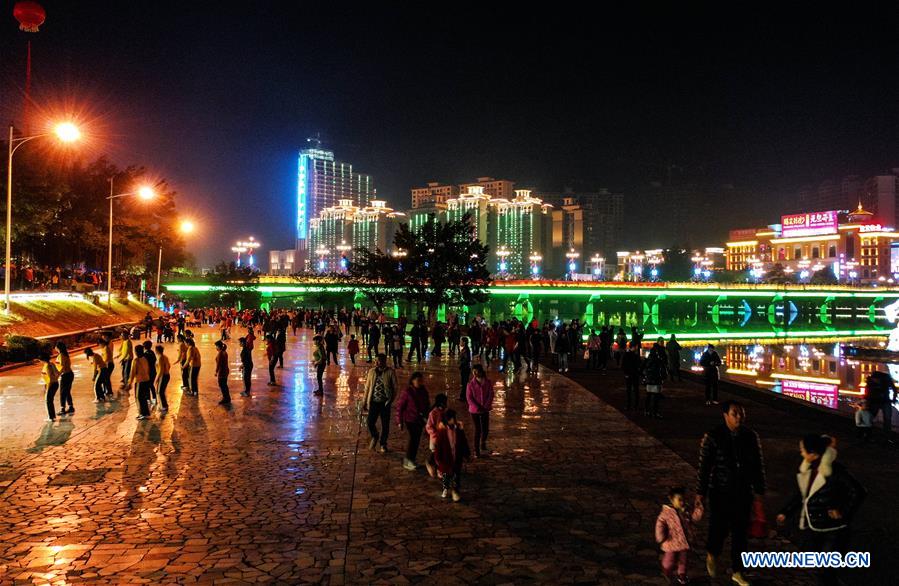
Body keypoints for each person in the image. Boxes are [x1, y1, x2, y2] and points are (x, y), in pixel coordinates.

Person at [776, 434, 866, 586]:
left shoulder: (835, 471)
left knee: (827, 570)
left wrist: (843, 511)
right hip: (816, 528)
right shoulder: (809, 468)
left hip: (835, 531)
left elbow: (859, 491)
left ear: (813, 453)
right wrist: (786, 512)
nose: (801, 453)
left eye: (803, 450)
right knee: (821, 570)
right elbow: (801, 495)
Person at [696, 401, 765, 586]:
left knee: (740, 534)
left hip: (743, 492)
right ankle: (712, 553)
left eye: (741, 413)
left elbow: (758, 467)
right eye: (735, 413)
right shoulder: (713, 437)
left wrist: (759, 492)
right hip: (720, 492)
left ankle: (738, 570)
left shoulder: (751, 437)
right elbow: (704, 468)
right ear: (725, 415)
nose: (739, 417)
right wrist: (700, 493)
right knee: (718, 528)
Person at [655, 486, 704, 585]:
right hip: (671, 542)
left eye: (683, 499)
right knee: (670, 560)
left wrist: (699, 509)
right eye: (679, 500)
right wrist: (661, 536)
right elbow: (660, 524)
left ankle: (682, 575)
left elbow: (694, 518)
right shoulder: (666, 513)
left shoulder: (686, 510)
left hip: (684, 541)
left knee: (683, 561)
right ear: (672, 500)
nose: (682, 502)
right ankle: (666, 570)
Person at [395, 371, 430, 471]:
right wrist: (399, 421)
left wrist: (427, 416)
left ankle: (411, 459)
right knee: (413, 439)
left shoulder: (424, 391)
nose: (420, 382)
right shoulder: (407, 392)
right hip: (410, 419)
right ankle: (408, 460)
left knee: (416, 440)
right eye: (418, 380)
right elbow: (400, 407)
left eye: (421, 380)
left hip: (420, 419)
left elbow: (427, 404)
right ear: (412, 381)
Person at [362, 353, 397, 453]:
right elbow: (367, 387)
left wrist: (390, 399)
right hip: (373, 402)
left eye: (379, 361)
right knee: (370, 422)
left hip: (385, 403)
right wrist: (364, 401)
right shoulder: (371, 372)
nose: (377, 363)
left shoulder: (390, 372)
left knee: (385, 425)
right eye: (376, 361)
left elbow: (395, 387)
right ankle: (375, 435)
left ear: (384, 361)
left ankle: (383, 444)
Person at [434, 409, 471, 502]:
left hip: (457, 456)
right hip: (447, 457)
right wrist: (438, 459)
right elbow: (438, 446)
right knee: (446, 475)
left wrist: (467, 454)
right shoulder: (442, 432)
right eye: (451, 418)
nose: (453, 420)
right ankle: (445, 488)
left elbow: (463, 441)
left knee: (457, 475)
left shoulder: (458, 430)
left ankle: (455, 491)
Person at [466, 364, 494, 458]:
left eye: (476, 371)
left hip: (485, 409)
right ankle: (476, 451)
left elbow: (491, 394)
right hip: (474, 411)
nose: (475, 373)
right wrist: (478, 407)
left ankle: (483, 443)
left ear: (481, 371)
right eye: (473, 371)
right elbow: (469, 398)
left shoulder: (488, 382)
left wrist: (486, 406)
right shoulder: (470, 384)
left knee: (485, 429)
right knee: (478, 430)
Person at [864, 369, 896, 439]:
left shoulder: (886, 380)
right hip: (880, 401)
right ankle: (885, 435)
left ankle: (870, 434)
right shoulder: (872, 381)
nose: (874, 381)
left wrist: (867, 402)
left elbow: (894, 389)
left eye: (875, 380)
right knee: (886, 419)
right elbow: (894, 389)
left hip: (881, 401)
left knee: (884, 419)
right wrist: (893, 398)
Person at [425, 393, 448, 478]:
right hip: (435, 438)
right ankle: (430, 464)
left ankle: (439, 470)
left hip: (443, 437)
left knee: (440, 455)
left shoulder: (445, 412)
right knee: (435, 454)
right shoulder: (433, 413)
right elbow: (429, 426)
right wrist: (435, 433)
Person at [644, 343, 667, 418]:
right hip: (656, 380)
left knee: (648, 396)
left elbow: (642, 369)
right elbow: (663, 371)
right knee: (656, 398)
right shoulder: (659, 360)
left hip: (649, 380)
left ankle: (647, 411)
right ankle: (655, 412)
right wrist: (663, 378)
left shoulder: (647, 360)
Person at [130, 345, 152, 420]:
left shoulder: (136, 360)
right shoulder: (145, 359)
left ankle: (142, 413)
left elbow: (133, 372)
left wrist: (130, 382)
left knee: (138, 397)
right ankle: (146, 413)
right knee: (143, 398)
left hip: (140, 381)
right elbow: (148, 369)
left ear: (136, 352)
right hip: (146, 380)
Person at [38, 353, 60, 422]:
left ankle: (51, 417)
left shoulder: (47, 366)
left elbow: (50, 377)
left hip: (51, 384)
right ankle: (52, 416)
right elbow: (57, 373)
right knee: (50, 400)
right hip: (55, 383)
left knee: (48, 401)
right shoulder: (51, 364)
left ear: (42, 359)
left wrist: (47, 386)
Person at [55, 342, 74, 415]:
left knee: (63, 393)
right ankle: (71, 407)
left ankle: (62, 408)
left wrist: (57, 376)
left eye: (55, 347)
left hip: (66, 375)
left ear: (58, 348)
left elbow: (62, 367)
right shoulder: (65, 354)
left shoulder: (61, 355)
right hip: (69, 374)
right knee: (67, 391)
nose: (55, 348)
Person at [621, 342, 642, 411]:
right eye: (636, 346)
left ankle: (629, 405)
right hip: (634, 375)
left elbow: (623, 365)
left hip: (629, 375)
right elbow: (639, 365)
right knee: (635, 391)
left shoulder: (626, 354)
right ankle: (635, 405)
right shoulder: (635, 355)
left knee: (629, 391)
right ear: (634, 347)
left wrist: (626, 373)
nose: (637, 348)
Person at [214, 341, 231, 405]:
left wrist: (216, 371)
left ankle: (225, 398)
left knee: (222, 385)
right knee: (224, 385)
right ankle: (227, 397)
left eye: (216, 346)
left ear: (218, 346)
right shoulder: (224, 352)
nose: (216, 348)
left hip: (222, 372)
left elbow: (218, 364)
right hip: (225, 371)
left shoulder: (220, 353)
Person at [155, 345, 170, 413]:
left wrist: (157, 378)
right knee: (161, 391)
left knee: (160, 392)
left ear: (157, 350)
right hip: (166, 375)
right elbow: (169, 366)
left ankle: (164, 406)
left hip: (163, 376)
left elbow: (161, 369)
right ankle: (164, 405)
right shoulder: (165, 357)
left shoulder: (160, 358)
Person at [142, 340, 157, 406]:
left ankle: (150, 398)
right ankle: (153, 398)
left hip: (148, 372)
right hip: (153, 371)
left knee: (148, 385)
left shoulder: (145, 354)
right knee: (150, 385)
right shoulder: (152, 352)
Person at [458, 337, 472, 402]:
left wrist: (461, 364)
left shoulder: (466, 350)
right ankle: (462, 396)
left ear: (464, 342)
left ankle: (464, 397)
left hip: (465, 369)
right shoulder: (464, 349)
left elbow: (467, 359)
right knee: (463, 383)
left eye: (461, 341)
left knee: (464, 383)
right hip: (464, 368)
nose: (460, 342)